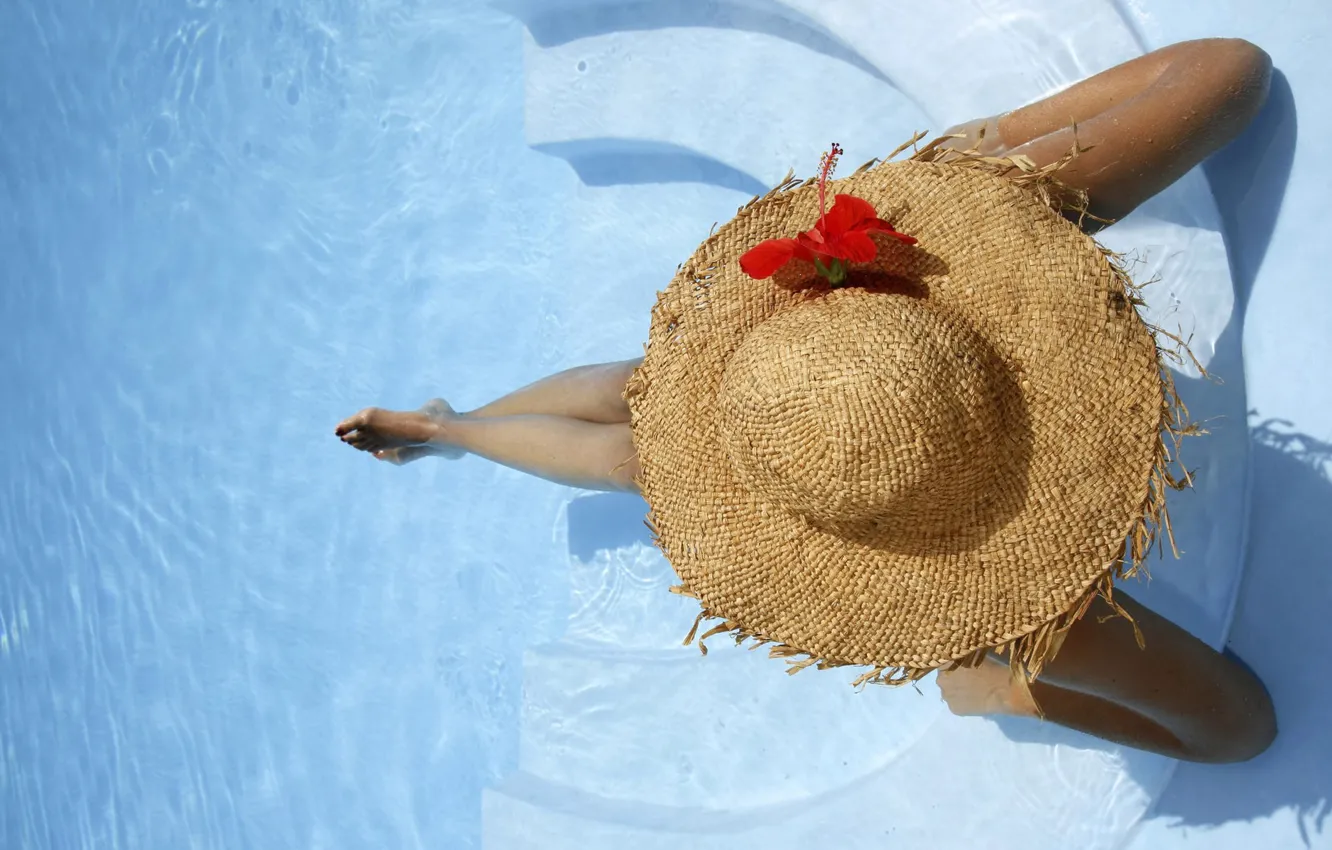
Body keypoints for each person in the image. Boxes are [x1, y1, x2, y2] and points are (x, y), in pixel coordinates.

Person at [335, 39, 1277, 764]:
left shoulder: (1035, 618)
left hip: (803, 375)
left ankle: (443, 425)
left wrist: (991, 694)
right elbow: (1234, 70)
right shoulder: (1023, 209)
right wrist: (993, 154)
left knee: (635, 420)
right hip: (872, 347)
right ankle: (443, 426)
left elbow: (1243, 734)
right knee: (633, 435)